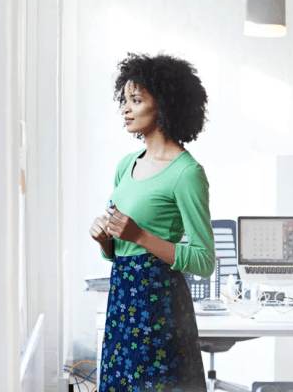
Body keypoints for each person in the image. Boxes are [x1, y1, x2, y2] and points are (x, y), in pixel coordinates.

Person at [89, 52, 215, 392]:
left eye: (137, 100)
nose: (126, 109)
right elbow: (118, 250)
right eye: (125, 100)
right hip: (122, 300)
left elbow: (204, 260)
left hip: (160, 306)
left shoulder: (187, 173)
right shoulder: (125, 165)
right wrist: (104, 239)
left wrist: (141, 236)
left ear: (163, 104)